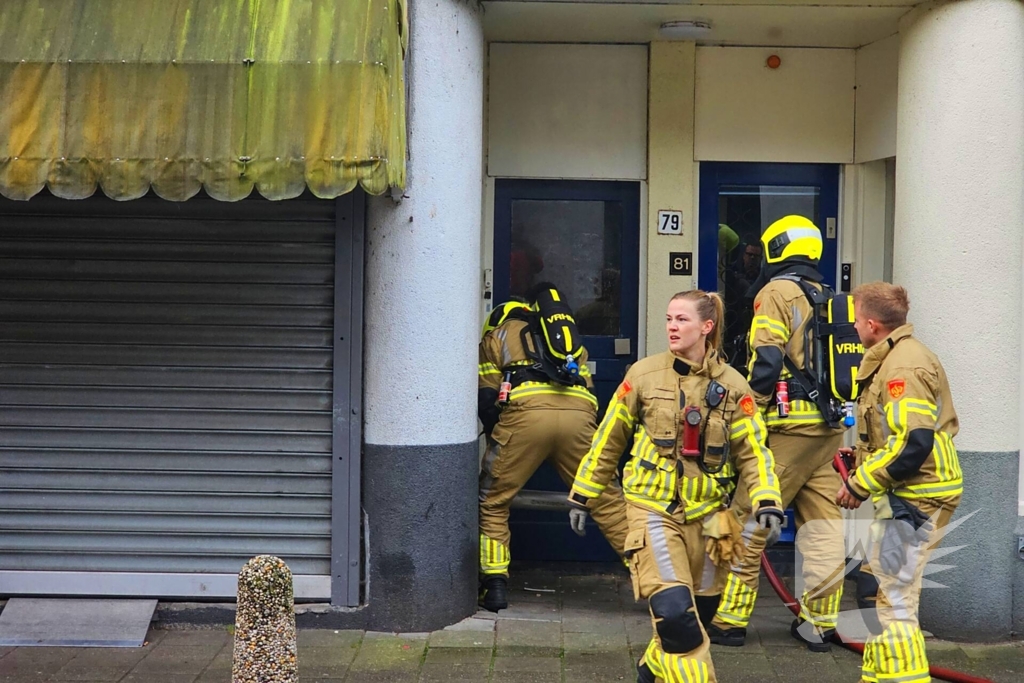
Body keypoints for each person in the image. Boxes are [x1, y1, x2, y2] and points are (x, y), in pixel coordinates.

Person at [567, 291, 783, 683]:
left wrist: (768, 499)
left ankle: (652, 667)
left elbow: (754, 451)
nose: (671, 326)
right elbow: (609, 437)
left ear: (707, 326)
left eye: (681, 320)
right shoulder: (643, 374)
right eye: (668, 318)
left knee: (697, 615)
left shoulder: (735, 386)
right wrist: (584, 492)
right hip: (652, 510)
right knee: (673, 612)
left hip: (711, 520)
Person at [707, 215, 848, 652]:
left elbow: (766, 362)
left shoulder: (775, 293)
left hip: (785, 431)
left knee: (748, 521)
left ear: (775, 251)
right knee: (825, 529)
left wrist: (751, 416)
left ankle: (729, 621)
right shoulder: (831, 298)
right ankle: (819, 625)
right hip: (827, 433)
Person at [837, 282, 962, 683]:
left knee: (895, 599)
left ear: (872, 324)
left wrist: (859, 483)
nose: (853, 327)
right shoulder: (899, 356)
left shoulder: (902, 367)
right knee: (893, 592)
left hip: (918, 494)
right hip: (917, 491)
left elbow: (913, 442)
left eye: (856, 320)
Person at [477, 283, 629, 612]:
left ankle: (495, 584)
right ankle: (658, 583)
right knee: (608, 501)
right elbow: (589, 393)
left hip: (525, 416)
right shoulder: (567, 342)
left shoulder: (496, 337)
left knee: (492, 500)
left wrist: (502, 444)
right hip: (579, 417)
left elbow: (487, 400)